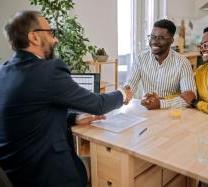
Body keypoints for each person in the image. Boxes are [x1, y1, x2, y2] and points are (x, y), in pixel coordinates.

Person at [0, 10, 128, 187]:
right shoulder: (47, 70)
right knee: (108, 168)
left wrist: (74, 118)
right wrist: (123, 93)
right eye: (51, 33)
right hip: (47, 175)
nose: (56, 40)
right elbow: (98, 104)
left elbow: (30, 114)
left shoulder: (4, 71)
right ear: (34, 37)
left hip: (16, 172)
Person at [124, 19, 196, 110]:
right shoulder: (141, 58)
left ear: (171, 40)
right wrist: (124, 94)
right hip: (147, 111)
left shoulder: (182, 63)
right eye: (153, 37)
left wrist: (161, 104)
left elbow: (190, 98)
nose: (155, 41)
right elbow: (130, 85)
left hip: (172, 114)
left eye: (161, 38)